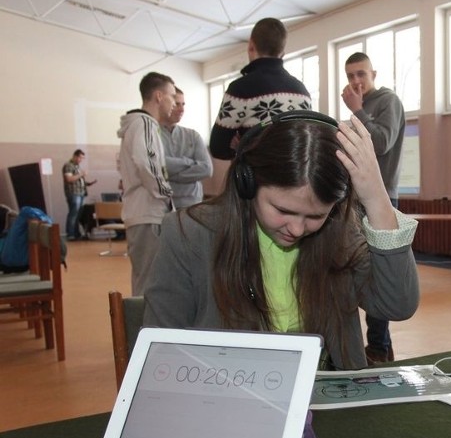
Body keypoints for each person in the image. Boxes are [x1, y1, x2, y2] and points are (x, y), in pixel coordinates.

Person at [144, 111, 420, 370]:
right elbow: (160, 349)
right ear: (247, 182)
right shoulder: (188, 234)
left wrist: (375, 197)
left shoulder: (341, 233)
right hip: (228, 400)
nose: (298, 229)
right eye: (283, 210)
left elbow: (396, 304)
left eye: (316, 215)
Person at [342, 51, 406, 364]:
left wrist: (357, 111)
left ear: (373, 73)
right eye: (351, 75)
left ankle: (379, 347)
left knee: (380, 274)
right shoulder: (358, 108)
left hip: (380, 201)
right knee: (355, 271)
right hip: (352, 201)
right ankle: (365, 346)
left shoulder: (387, 102)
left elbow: (381, 142)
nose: (356, 81)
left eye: (361, 74)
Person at [209, 18, 311, 162]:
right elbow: (305, 141)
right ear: (282, 52)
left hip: (256, 180)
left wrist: (244, 145)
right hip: (295, 178)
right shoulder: (302, 91)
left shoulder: (240, 89)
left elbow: (218, 148)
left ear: (251, 46)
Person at [117, 71, 175, 296]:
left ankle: (143, 329)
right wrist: (166, 195)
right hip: (150, 212)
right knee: (150, 285)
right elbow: (146, 163)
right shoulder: (145, 124)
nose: (173, 102)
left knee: (145, 281)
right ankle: (144, 330)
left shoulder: (135, 126)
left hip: (139, 212)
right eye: (171, 96)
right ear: (159, 96)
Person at [160, 87, 213, 209]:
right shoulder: (152, 134)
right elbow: (158, 164)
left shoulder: (193, 135)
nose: (182, 109)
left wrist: (170, 176)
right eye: (177, 104)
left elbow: (207, 169)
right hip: (163, 205)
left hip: (192, 204)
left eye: (183, 104)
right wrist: (189, 163)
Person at [62, 149, 94, 240]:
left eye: (82, 158)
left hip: (81, 193)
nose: (81, 160)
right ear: (75, 156)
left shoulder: (77, 166)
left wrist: (87, 183)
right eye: (80, 158)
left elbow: (78, 181)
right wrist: (82, 174)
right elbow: (69, 179)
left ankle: (76, 233)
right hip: (74, 193)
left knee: (78, 214)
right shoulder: (68, 165)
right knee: (73, 213)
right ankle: (70, 234)